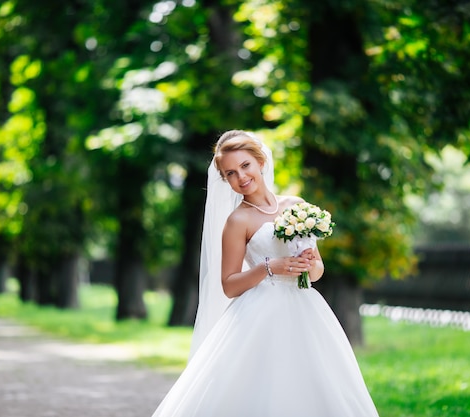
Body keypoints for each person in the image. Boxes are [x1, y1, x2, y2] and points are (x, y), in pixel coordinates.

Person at [151, 130, 379, 417]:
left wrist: (309, 264)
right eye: (230, 173)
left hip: (305, 310)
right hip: (259, 314)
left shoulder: (296, 206)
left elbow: (318, 269)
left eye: (245, 166)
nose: (241, 177)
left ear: (260, 161)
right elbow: (230, 285)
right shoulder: (238, 221)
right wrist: (269, 268)